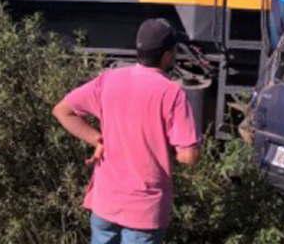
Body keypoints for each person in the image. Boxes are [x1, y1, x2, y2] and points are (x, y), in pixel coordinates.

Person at [52, 18, 201, 244]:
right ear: (168, 55)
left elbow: (62, 111)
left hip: (106, 202)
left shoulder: (109, 79)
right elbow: (188, 156)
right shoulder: (171, 93)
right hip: (144, 209)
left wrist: (96, 139)